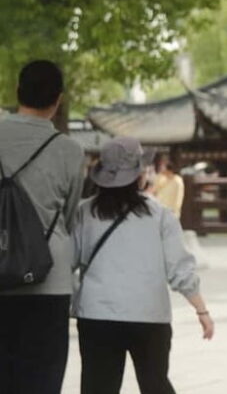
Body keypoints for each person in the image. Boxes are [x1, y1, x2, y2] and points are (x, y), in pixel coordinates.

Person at [72, 137, 213, 394]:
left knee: (97, 387)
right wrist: (201, 310)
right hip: (149, 315)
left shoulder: (84, 213)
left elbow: (68, 261)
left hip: (96, 314)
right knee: (155, 384)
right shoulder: (160, 216)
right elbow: (180, 270)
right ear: (140, 174)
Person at [0, 60, 85, 394]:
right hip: (47, 279)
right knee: (42, 379)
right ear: (58, 100)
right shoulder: (69, 150)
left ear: (18, 92)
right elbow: (69, 214)